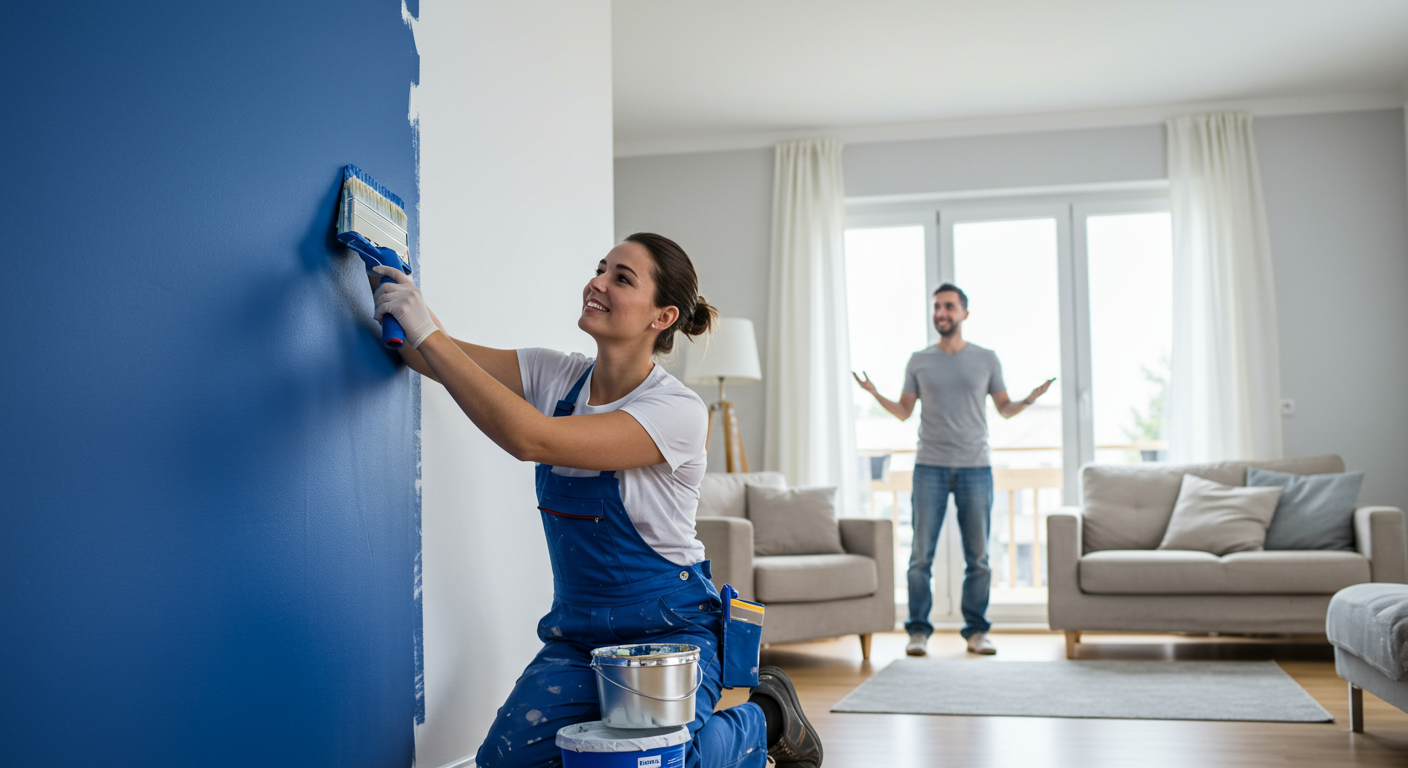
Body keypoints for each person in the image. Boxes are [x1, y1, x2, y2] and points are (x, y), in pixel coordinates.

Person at [369, 233, 822, 768]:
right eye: (601, 268)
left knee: (661, 761)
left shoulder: (678, 411)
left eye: (621, 278)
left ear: (663, 316)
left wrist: (425, 327)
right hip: (580, 634)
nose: (597, 282)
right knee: (504, 762)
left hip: (668, 632)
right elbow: (432, 356)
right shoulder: (554, 376)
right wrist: (390, 288)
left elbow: (532, 439)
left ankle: (765, 719)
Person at [854, 283, 1053, 657]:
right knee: (920, 557)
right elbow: (903, 411)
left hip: (975, 467)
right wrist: (872, 392)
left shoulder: (986, 359)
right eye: (936, 308)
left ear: (964, 313)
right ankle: (918, 632)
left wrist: (1029, 399)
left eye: (948, 306)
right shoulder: (919, 360)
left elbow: (1005, 408)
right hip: (928, 466)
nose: (941, 313)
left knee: (978, 557)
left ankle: (977, 632)